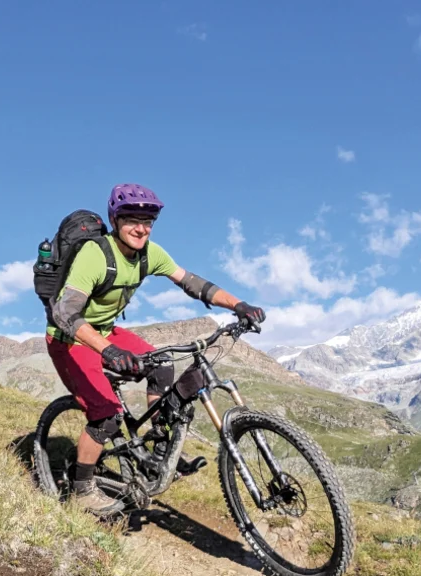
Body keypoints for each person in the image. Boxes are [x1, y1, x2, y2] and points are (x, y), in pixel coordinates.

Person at [45, 183, 266, 516]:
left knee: (163, 366)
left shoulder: (150, 253)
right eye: (132, 220)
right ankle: (82, 489)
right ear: (115, 220)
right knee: (105, 416)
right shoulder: (96, 255)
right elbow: (65, 313)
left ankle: (157, 452)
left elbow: (192, 282)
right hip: (70, 339)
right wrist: (108, 351)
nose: (141, 228)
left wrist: (238, 305)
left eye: (148, 221)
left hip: (105, 331)